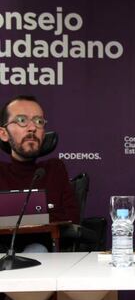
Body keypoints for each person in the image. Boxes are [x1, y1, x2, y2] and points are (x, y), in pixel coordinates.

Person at [0, 95, 79, 252]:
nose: (32, 128)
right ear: (3, 134)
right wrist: (46, 214)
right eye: (22, 120)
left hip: (41, 252)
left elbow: (71, 220)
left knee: (37, 250)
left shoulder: (54, 170)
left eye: (39, 121)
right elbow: (58, 216)